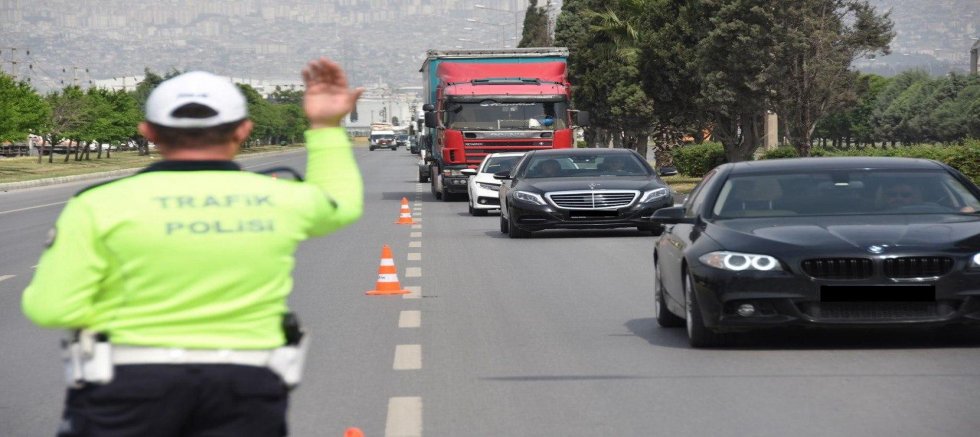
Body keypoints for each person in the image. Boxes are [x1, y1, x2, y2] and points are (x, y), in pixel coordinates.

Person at [21, 57, 364, 437]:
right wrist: (326, 126)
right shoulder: (282, 197)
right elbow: (340, 204)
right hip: (245, 386)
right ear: (245, 130)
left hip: (128, 385)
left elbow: (51, 308)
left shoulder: (97, 204)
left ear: (149, 132)